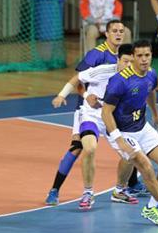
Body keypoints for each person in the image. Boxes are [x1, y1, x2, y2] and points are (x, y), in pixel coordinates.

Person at [45, 20, 147, 206]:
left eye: (121, 31)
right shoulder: (97, 56)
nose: (118, 34)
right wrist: (79, 96)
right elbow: (79, 81)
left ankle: (128, 185)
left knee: (129, 147)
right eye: (114, 31)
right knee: (79, 148)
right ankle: (55, 190)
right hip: (88, 109)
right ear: (106, 34)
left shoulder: (129, 61)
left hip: (109, 114)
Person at [102, 39, 158, 227]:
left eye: (147, 55)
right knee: (146, 166)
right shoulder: (119, 81)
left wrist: (156, 114)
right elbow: (105, 112)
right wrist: (119, 139)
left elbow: (149, 92)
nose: (144, 60)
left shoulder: (151, 74)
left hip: (141, 127)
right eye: (139, 56)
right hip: (121, 132)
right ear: (132, 57)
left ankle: (151, 208)